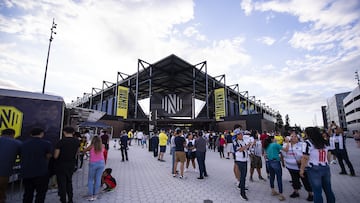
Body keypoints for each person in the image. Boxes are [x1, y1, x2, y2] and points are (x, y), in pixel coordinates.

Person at [300, 127, 335, 203]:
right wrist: (327, 162)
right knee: (328, 190)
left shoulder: (307, 143)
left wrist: (302, 169)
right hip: (325, 167)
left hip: (314, 168)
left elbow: (305, 157)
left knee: (317, 192)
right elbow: (329, 154)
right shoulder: (325, 141)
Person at [20, 127, 53, 203]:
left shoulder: (23, 144)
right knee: (40, 194)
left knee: (28, 193)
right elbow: (49, 156)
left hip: (27, 171)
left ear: (31, 134)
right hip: (41, 171)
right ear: (42, 134)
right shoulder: (46, 143)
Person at [282, 132, 313, 201]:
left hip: (301, 167)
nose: (292, 138)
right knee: (294, 180)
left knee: (305, 181)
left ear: (297, 137)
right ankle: (296, 191)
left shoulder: (302, 145)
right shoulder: (286, 145)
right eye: (291, 136)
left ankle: (310, 193)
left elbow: (306, 155)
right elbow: (283, 152)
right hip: (291, 167)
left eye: (294, 136)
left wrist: (301, 161)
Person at [54, 126, 80, 203]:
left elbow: (56, 155)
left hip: (61, 164)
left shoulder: (61, 141)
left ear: (64, 132)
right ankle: (70, 199)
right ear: (73, 133)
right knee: (69, 181)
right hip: (71, 164)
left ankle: (63, 199)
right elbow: (77, 153)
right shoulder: (76, 142)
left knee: (62, 183)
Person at [0, 128, 21, 203]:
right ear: (13, 135)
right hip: (4, 172)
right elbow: (23, 156)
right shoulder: (17, 143)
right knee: (1, 192)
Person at [264, 136, 286, 201]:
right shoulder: (276, 144)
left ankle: (273, 191)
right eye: (274, 138)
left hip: (269, 162)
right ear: (272, 139)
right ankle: (281, 195)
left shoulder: (267, 145)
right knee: (279, 178)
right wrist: (287, 143)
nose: (275, 139)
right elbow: (285, 150)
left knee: (272, 177)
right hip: (276, 162)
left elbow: (265, 155)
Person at [84, 136, 106, 201]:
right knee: (98, 179)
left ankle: (91, 195)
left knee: (90, 179)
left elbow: (84, 151)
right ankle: (96, 195)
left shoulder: (91, 146)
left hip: (93, 163)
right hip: (101, 163)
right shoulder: (102, 146)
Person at [233, 129, 251, 201]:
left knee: (244, 176)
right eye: (240, 134)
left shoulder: (243, 141)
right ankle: (242, 193)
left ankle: (241, 185)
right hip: (240, 161)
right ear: (237, 135)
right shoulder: (235, 142)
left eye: (242, 134)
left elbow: (245, 149)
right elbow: (239, 149)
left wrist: (249, 146)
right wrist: (247, 146)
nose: (242, 135)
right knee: (243, 176)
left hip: (245, 160)